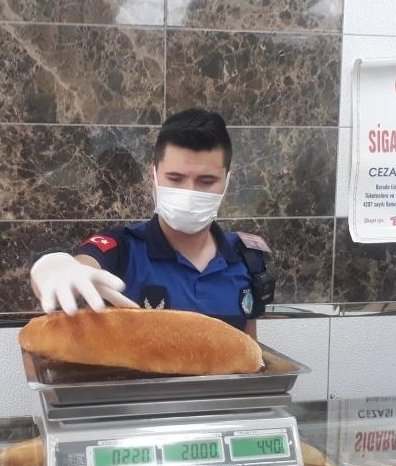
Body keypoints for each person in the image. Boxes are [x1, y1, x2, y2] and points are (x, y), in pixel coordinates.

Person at [29, 108, 274, 341]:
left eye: (207, 181)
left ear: (226, 182)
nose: (190, 192)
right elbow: (85, 265)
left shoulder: (247, 258)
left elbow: (249, 349)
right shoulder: (124, 249)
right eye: (175, 178)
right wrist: (53, 268)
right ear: (153, 176)